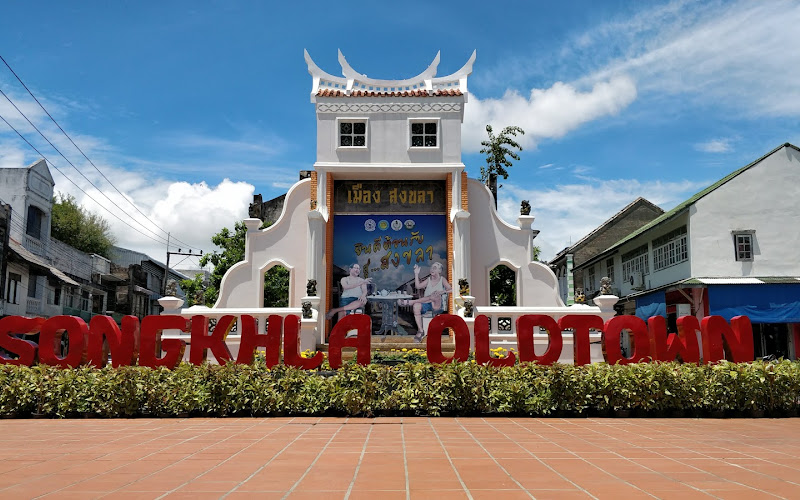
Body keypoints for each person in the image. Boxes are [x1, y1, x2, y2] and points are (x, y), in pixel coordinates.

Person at [398, 262, 452, 342]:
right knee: (416, 306)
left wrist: (442, 292)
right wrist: (416, 274)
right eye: (432, 267)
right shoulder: (429, 279)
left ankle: (410, 302)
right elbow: (418, 286)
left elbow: (451, 289)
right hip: (427, 304)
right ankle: (420, 331)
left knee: (434, 295)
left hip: (437, 305)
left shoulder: (442, 279)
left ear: (439, 271)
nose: (432, 269)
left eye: (435, 267)